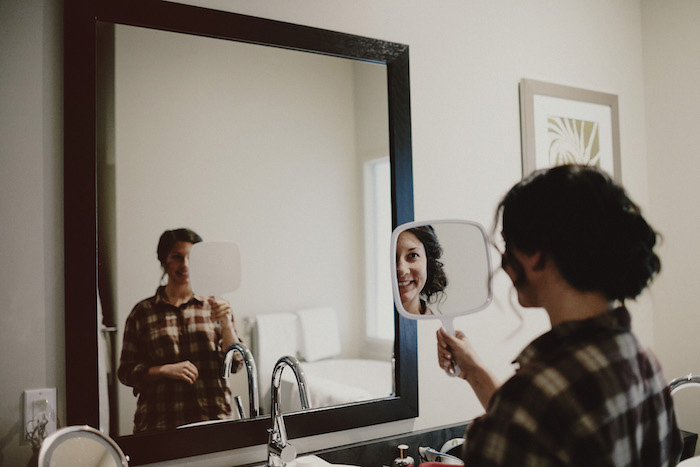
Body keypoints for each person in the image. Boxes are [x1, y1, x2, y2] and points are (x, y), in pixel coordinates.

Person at [436, 165, 683, 466]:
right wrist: (474, 372)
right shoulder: (642, 362)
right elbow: (551, 430)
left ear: (536, 253)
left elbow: (535, 421)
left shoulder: (533, 401)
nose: (503, 263)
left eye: (507, 244)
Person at [118, 228, 244, 433]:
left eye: (191, 258)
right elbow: (125, 372)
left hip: (212, 420)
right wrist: (163, 370)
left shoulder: (215, 306)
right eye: (177, 257)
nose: (185, 265)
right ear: (164, 261)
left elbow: (236, 363)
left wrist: (227, 324)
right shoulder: (142, 312)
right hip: (160, 423)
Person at [396, 225, 447, 315]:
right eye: (392, 257)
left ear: (428, 262)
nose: (402, 270)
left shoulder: (438, 327)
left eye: (413, 255)